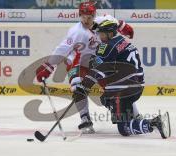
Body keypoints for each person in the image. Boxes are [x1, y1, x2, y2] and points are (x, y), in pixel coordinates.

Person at [36, 2, 134, 134]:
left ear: (94, 14)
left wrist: (124, 27)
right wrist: (48, 67)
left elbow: (115, 22)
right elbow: (61, 50)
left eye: (90, 17)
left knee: (114, 86)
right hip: (78, 63)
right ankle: (85, 119)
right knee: (77, 87)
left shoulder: (103, 21)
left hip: (98, 62)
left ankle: (134, 115)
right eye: (84, 17)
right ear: (79, 15)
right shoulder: (75, 32)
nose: (87, 20)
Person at [80, 20, 171, 138]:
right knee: (105, 98)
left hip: (122, 90)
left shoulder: (106, 46)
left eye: (102, 33)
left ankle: (154, 123)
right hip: (137, 87)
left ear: (110, 33)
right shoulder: (123, 41)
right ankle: (133, 116)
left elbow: (97, 69)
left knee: (123, 128)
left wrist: (85, 85)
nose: (100, 36)